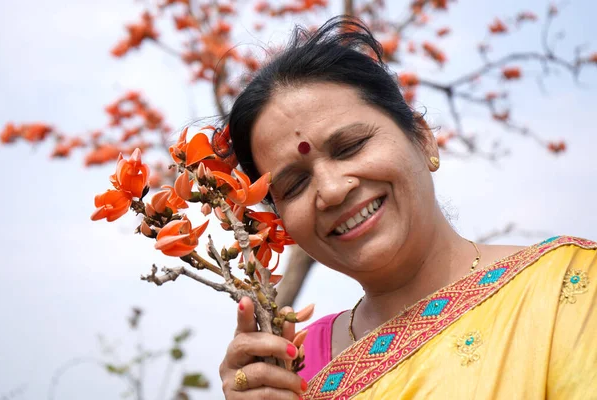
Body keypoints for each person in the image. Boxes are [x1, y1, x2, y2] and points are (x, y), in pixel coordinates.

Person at [218, 16, 597, 399]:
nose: (331, 190)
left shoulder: (568, 285)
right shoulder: (294, 366)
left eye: (350, 147)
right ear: (280, 219)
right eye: (295, 184)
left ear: (423, 140)